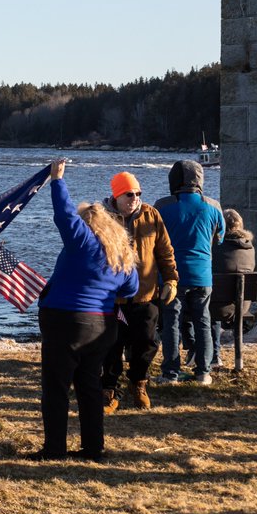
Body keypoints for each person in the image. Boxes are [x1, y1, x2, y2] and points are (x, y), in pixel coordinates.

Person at [31, 160, 138, 462]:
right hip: (102, 326)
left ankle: (55, 449)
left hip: (65, 321)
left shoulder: (82, 240)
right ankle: (94, 448)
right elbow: (130, 290)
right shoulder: (122, 254)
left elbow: (64, 214)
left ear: (88, 225)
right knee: (90, 386)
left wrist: (57, 180)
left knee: (56, 387)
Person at [99, 172, 178, 413]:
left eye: (138, 193)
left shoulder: (151, 214)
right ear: (117, 195)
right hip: (113, 297)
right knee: (111, 345)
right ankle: (109, 390)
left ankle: (139, 383)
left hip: (145, 294)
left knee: (146, 341)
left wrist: (172, 280)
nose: (135, 198)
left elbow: (165, 251)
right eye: (129, 194)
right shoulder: (102, 218)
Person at [154, 160, 225, 385]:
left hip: (171, 277)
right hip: (203, 275)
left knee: (171, 322)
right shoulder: (213, 206)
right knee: (203, 320)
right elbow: (219, 238)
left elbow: (152, 241)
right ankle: (204, 372)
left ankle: (170, 373)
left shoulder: (162, 206)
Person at [209, 208, 255, 361]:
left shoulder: (215, 247)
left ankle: (214, 355)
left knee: (208, 303)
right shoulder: (250, 248)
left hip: (218, 306)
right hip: (242, 305)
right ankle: (236, 359)